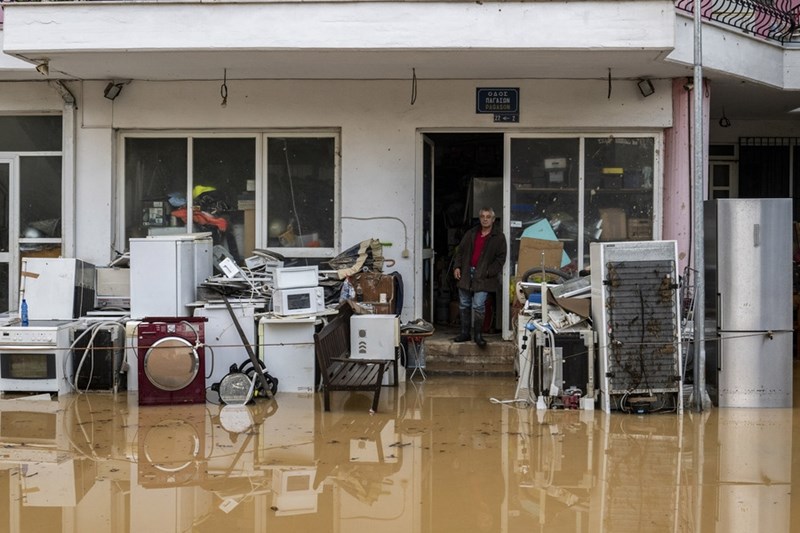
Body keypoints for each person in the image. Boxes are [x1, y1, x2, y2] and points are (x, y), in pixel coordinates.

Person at [452, 207, 507, 347]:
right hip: (466, 272)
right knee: (464, 303)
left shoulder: (498, 237)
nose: (485, 219)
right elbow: (460, 251)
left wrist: (489, 272)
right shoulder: (471, 233)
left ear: (493, 219)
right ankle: (465, 333)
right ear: (480, 218)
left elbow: (501, 259)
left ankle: (478, 335)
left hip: (483, 276)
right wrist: (457, 266)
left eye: (488, 216)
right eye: (483, 216)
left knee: (478, 304)